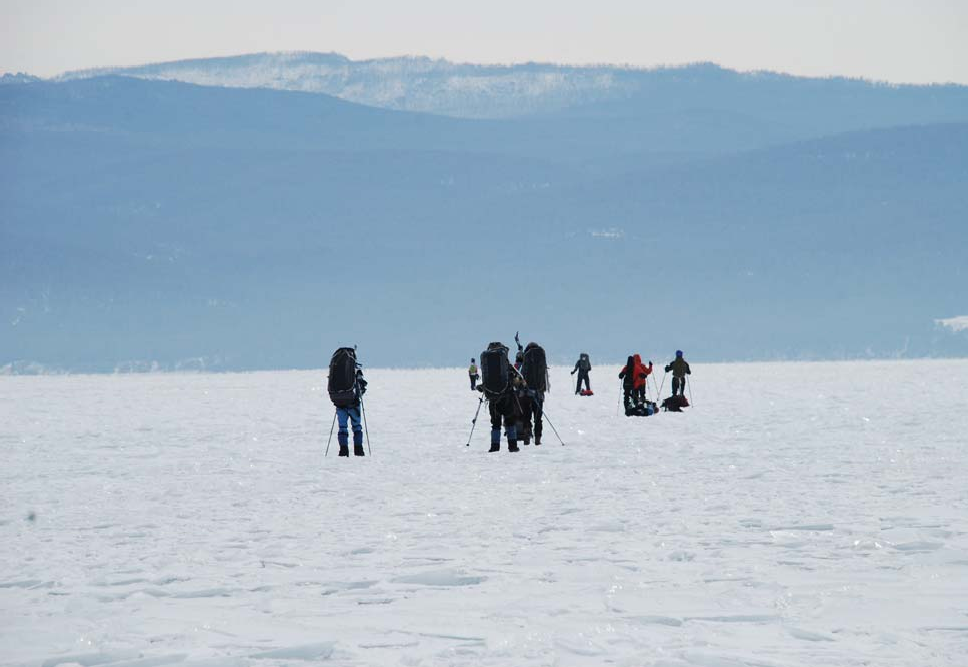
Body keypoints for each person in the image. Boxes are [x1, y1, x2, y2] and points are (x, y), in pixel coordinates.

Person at [478, 341, 521, 453]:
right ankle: (512, 446)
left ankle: (494, 447)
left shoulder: (488, 363)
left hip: (493, 399)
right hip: (507, 397)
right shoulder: (505, 362)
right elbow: (517, 378)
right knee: (510, 421)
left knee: (495, 424)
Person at [327, 348, 368, 457]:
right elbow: (362, 386)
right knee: (357, 427)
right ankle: (358, 450)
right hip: (353, 403)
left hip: (339, 403)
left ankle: (343, 450)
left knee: (342, 428)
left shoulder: (337, 367)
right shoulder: (355, 369)